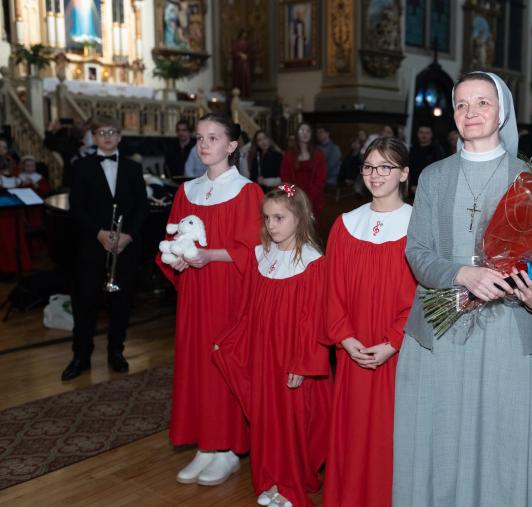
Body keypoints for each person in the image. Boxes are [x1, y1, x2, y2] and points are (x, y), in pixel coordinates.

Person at [393, 71, 532, 507]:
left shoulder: (530, 179)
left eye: (483, 102)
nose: (471, 112)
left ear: (502, 112)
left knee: (501, 444)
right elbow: (417, 253)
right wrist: (463, 274)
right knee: (439, 439)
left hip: (509, 332)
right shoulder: (433, 176)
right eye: (461, 104)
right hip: (441, 330)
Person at [156, 113, 264, 486]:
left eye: (213, 138)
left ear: (232, 146)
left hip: (229, 292)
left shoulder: (248, 192)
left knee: (223, 364)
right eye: (200, 138)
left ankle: (228, 449)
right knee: (196, 363)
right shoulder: (187, 191)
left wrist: (209, 255)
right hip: (194, 292)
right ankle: (206, 443)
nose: (204, 144)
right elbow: (171, 239)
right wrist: (176, 258)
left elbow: (256, 250)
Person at [213, 183, 332, 507]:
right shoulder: (262, 256)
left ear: (300, 218)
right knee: (267, 420)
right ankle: (270, 478)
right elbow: (249, 310)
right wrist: (234, 342)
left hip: (292, 359)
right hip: (265, 356)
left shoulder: (312, 262)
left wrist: (303, 364)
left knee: (292, 424)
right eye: (267, 218)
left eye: (279, 218)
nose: (271, 225)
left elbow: (314, 320)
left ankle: (290, 485)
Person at [323, 137, 417, 507]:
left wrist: (393, 342)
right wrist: (345, 339)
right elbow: (331, 292)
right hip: (353, 352)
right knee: (352, 431)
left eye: (385, 167)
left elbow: (422, 295)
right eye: (369, 167)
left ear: (404, 173)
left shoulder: (418, 225)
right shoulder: (346, 225)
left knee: (388, 437)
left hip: (398, 355)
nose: (375, 175)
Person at [63, 117, 149, 380]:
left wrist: (128, 236)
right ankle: (81, 356)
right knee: (85, 302)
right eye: (101, 133)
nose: (108, 137)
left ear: (120, 136)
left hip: (124, 247)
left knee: (121, 302)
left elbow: (142, 207)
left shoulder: (133, 167)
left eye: (112, 132)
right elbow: (76, 207)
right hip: (92, 245)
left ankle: (116, 352)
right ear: (94, 137)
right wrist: (98, 233)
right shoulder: (81, 166)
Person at [280, 123, 327, 218]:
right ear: (297, 134)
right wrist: (293, 196)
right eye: (302, 130)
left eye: (308, 131)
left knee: (311, 225)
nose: (305, 133)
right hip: (292, 198)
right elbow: (284, 178)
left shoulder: (318, 155)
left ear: (311, 134)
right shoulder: (288, 155)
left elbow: (321, 179)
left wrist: (308, 199)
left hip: (314, 198)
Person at [408, 125, 445, 195]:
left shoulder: (437, 151)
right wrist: (412, 185)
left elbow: (439, 171)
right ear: (417, 134)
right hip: (412, 188)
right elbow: (409, 169)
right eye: (421, 132)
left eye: (427, 133)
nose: (424, 135)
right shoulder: (413, 149)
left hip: (431, 189)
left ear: (431, 134)